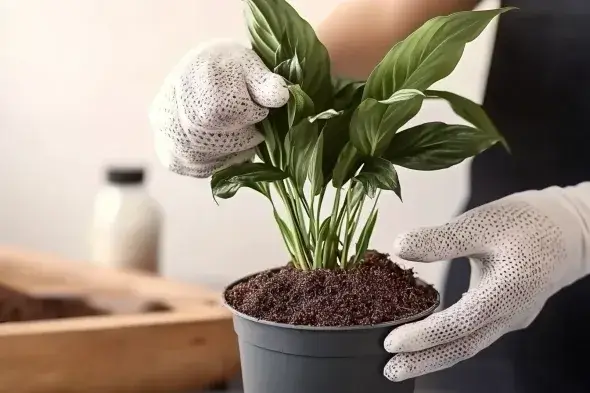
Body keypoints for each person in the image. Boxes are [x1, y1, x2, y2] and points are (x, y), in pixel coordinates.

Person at [148, 0, 590, 392]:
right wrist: (263, 76)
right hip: (499, 265)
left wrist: (579, 221)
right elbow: (389, 13)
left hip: (543, 234)